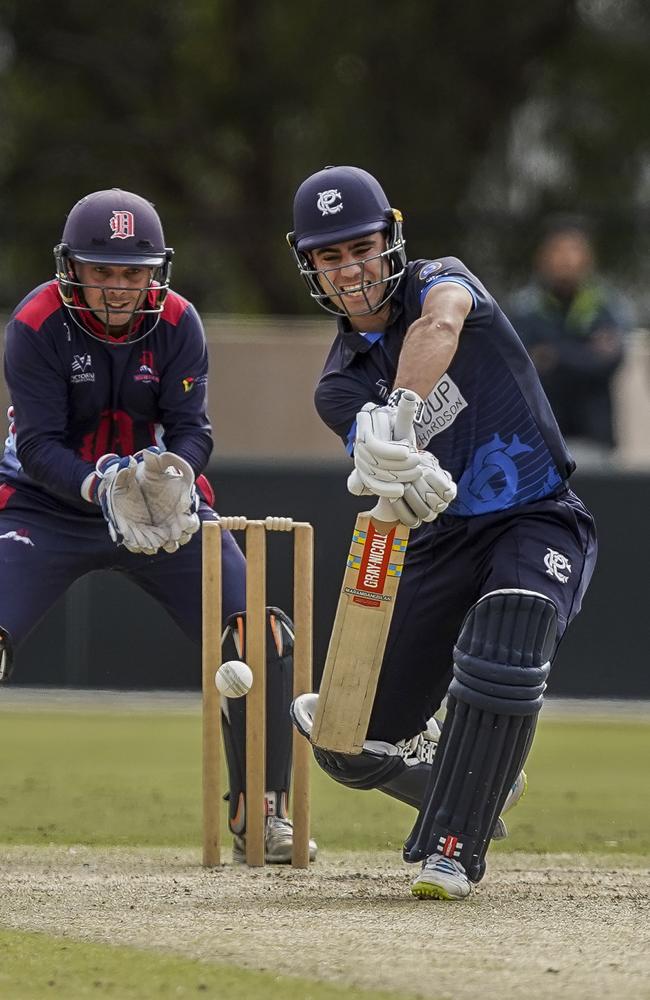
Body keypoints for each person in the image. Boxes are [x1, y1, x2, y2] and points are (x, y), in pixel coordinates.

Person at [287, 165, 596, 900]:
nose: (350, 270)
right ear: (310, 269)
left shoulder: (442, 280)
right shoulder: (337, 387)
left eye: (360, 247)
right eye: (329, 257)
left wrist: (399, 410)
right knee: (347, 743)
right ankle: (462, 772)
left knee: (510, 625)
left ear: (391, 241)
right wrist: (388, 474)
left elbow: (443, 324)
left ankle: (451, 848)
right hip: (439, 541)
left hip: (537, 513)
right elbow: (391, 491)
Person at [0, 188, 316, 864]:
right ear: (72, 269)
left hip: (161, 509)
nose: (118, 288)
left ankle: (261, 809)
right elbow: (36, 444)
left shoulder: (179, 322)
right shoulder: (34, 323)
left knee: (261, 633)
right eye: (102, 271)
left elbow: (194, 430)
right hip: (47, 503)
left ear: (155, 271)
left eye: (133, 272)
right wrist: (101, 486)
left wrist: (169, 480)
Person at [508, 215, 628, 467]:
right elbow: (520, 367)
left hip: (596, 441)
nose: (565, 259)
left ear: (588, 257)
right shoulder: (523, 309)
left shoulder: (607, 307)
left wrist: (554, 356)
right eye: (558, 250)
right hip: (539, 442)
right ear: (542, 257)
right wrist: (584, 355)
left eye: (573, 249)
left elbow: (609, 363)